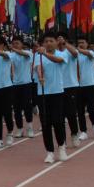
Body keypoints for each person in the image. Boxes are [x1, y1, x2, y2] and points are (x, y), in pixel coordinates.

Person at [35, 34, 69, 164]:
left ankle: (61, 147)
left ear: (56, 43)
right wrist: (40, 76)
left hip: (57, 92)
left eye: (51, 41)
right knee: (45, 124)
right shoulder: (38, 56)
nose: (48, 43)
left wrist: (44, 54)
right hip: (43, 93)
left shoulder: (62, 54)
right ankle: (49, 152)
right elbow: (38, 67)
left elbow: (57, 61)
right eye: (46, 41)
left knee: (58, 121)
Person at [56, 34, 81, 147]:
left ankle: (74, 134)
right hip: (57, 87)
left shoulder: (69, 52)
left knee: (71, 113)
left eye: (61, 39)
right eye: (57, 39)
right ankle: (62, 139)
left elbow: (75, 53)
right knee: (59, 116)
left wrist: (65, 43)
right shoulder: (53, 53)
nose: (59, 41)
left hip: (70, 86)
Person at [75, 36, 94, 138]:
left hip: (90, 84)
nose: (80, 44)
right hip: (78, 85)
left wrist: (79, 50)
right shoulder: (75, 55)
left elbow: (89, 55)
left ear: (87, 44)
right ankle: (83, 131)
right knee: (80, 110)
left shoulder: (91, 53)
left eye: (83, 42)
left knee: (91, 108)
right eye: (79, 42)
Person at [9, 38, 35, 138]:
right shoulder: (12, 55)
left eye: (17, 43)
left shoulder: (28, 53)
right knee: (17, 108)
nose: (15, 45)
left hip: (26, 84)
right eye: (13, 43)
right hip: (15, 84)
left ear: (22, 44)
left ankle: (30, 127)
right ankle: (19, 128)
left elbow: (23, 54)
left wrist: (13, 49)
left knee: (27, 106)